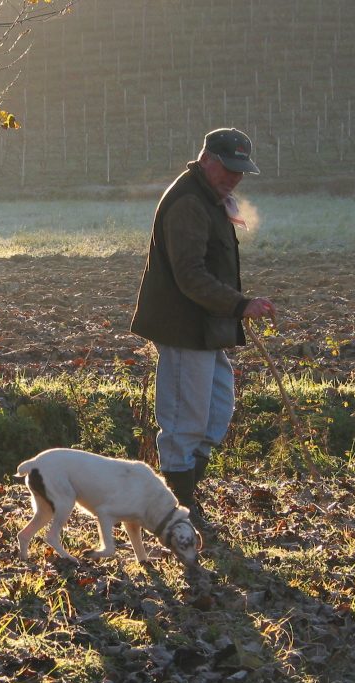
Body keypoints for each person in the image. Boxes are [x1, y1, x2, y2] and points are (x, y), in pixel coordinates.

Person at [129, 127, 276, 527]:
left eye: (240, 170)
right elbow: (190, 276)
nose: (234, 177)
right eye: (228, 168)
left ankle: (188, 497)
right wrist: (240, 305)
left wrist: (235, 307)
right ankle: (179, 509)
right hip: (183, 326)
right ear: (207, 158)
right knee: (183, 421)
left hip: (206, 326)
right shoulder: (189, 202)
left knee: (216, 411)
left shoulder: (210, 197)